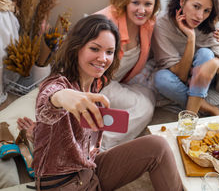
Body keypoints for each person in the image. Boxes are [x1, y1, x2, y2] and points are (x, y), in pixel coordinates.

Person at [31, 14, 182, 191]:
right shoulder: (58, 84)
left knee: (158, 145)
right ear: (76, 47)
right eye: (95, 49)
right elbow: (48, 98)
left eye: (109, 52)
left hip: (89, 168)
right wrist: (62, 96)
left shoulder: (94, 84)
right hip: (64, 185)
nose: (103, 58)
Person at [93, 0, 160, 149]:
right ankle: (99, 145)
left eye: (148, 4)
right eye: (136, 3)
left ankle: (98, 128)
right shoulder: (105, 22)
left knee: (149, 95)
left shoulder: (148, 24)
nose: (142, 10)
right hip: (93, 82)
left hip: (115, 83)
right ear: (125, 0)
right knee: (145, 108)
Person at [152, 0, 219, 116]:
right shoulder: (162, 24)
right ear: (182, 1)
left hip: (204, 78)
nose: (200, 16)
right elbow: (181, 76)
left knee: (206, 54)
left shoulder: (210, 23)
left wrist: (214, 63)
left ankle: (189, 116)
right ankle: (207, 108)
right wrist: (191, 38)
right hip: (179, 78)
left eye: (206, 11)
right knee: (161, 78)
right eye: (196, 6)